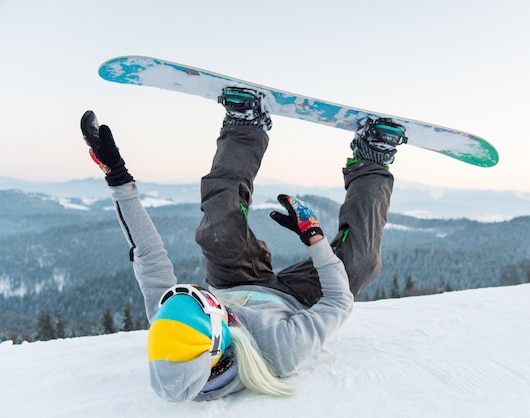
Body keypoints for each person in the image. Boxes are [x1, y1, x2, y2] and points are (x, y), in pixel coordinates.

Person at [79, 86, 406, 402]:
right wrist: (315, 239)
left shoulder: (172, 324)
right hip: (294, 300)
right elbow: (337, 303)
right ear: (220, 334)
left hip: (236, 282)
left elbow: (147, 254)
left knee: (216, 232)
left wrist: (116, 175)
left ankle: (244, 127)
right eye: (205, 303)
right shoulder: (276, 351)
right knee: (359, 264)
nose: (200, 293)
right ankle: (372, 160)